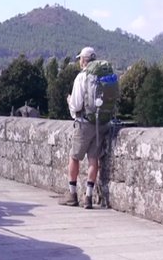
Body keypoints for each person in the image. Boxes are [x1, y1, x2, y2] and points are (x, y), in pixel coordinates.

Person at [58, 46, 110, 209]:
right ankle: (88, 197)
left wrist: (69, 102)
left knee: (74, 157)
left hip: (84, 123)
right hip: (101, 123)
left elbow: (77, 104)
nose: (79, 61)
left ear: (84, 60)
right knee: (93, 159)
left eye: (80, 58)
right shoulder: (103, 76)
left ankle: (72, 194)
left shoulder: (82, 77)